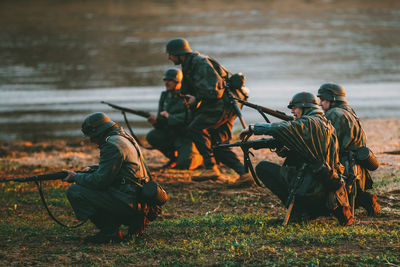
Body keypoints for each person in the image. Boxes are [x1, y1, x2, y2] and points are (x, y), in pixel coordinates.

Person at [240, 92, 353, 225]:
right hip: (330, 193)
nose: (292, 111)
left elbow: (286, 127)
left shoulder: (311, 122)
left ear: (305, 107)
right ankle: (308, 211)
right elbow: (309, 150)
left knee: (263, 168)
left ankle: (299, 212)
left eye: (294, 107)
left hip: (314, 191)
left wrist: (253, 128)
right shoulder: (325, 123)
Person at [63, 112, 163, 243]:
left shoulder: (110, 144)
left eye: (92, 136)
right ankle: (135, 220)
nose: (92, 140)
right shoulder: (123, 137)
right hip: (139, 198)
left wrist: (76, 177)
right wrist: (93, 169)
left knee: (74, 191)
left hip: (130, 201)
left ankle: (110, 232)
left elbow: (100, 182)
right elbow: (123, 168)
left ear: (100, 132)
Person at [166, 37, 253, 187]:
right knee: (219, 144)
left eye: (171, 54)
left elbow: (213, 92)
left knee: (195, 128)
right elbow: (190, 88)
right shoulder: (190, 63)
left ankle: (210, 167)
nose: (169, 57)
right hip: (226, 105)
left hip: (222, 105)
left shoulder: (200, 63)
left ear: (180, 54)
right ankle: (245, 174)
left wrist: (196, 99)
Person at [317, 83, 380, 216]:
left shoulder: (334, 113)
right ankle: (366, 200)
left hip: (347, 169)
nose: (320, 104)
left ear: (333, 99)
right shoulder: (348, 111)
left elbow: (325, 142)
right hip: (356, 170)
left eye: (323, 100)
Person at [146, 68, 203, 170]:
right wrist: (155, 122)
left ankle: (200, 157)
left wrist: (170, 117)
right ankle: (173, 158)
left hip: (186, 136)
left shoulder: (188, 96)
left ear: (179, 82)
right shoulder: (165, 96)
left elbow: (190, 117)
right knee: (152, 136)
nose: (166, 83)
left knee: (184, 166)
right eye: (165, 80)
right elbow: (162, 120)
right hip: (171, 133)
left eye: (170, 80)